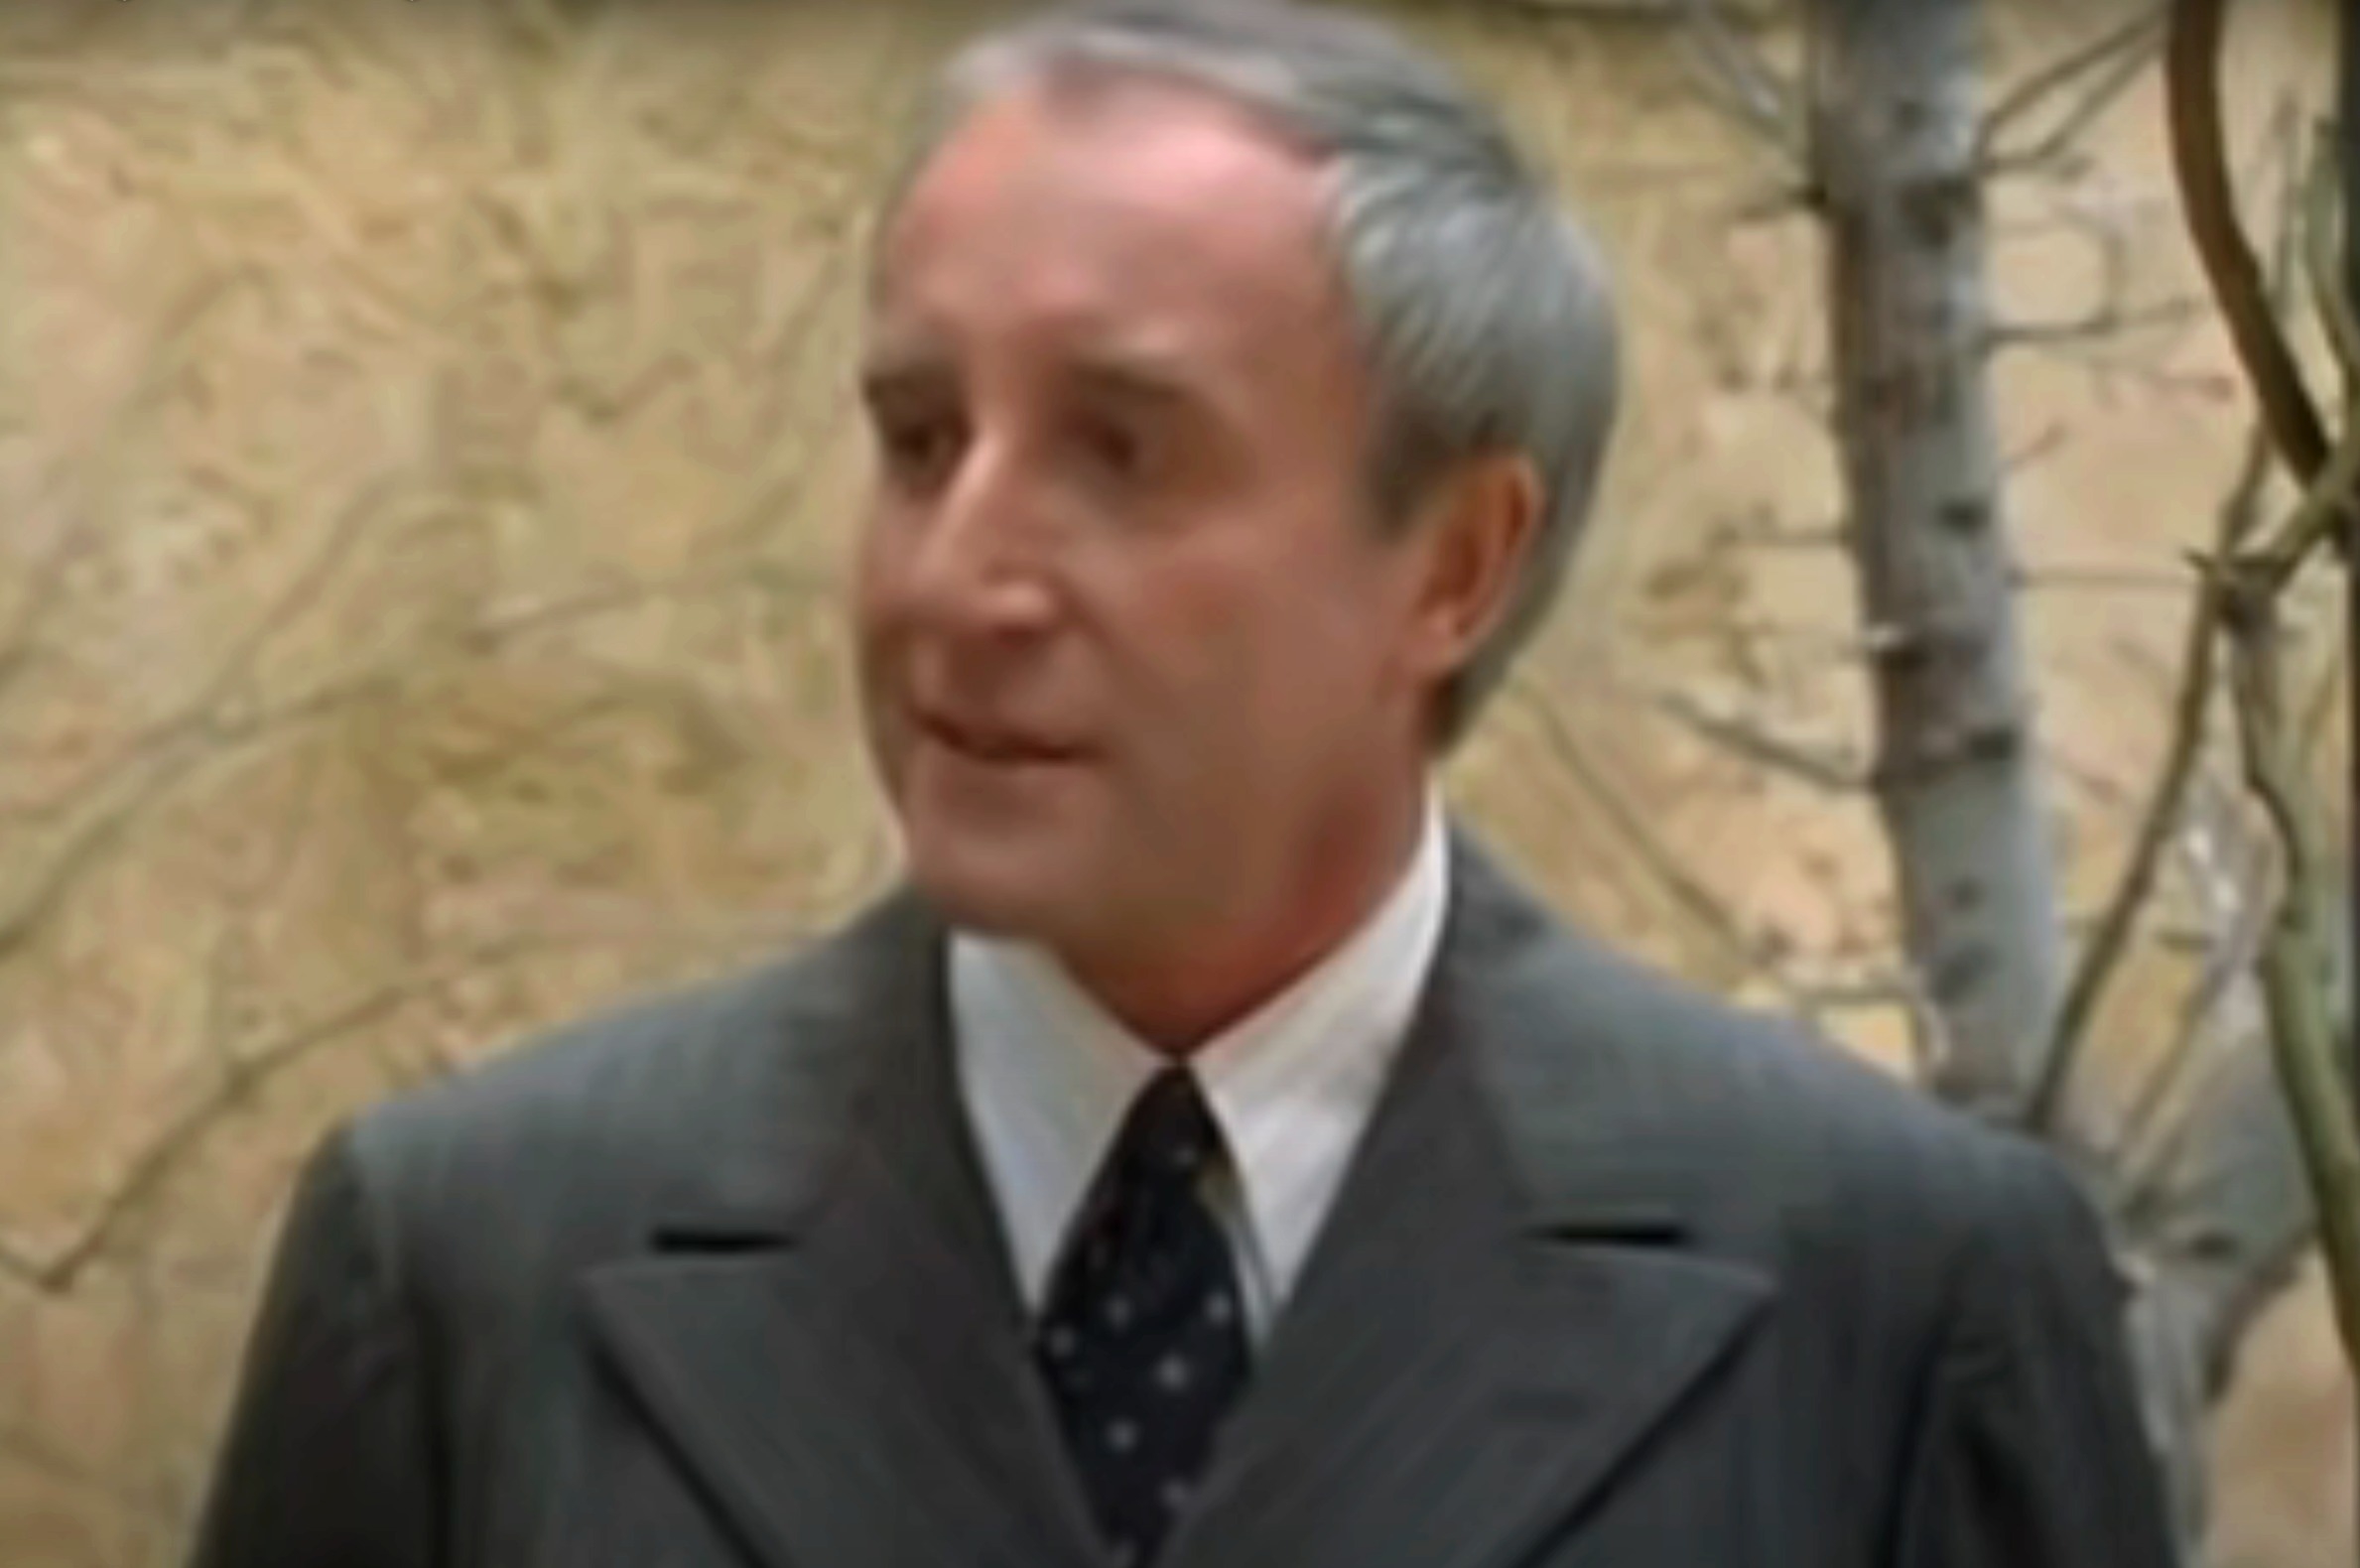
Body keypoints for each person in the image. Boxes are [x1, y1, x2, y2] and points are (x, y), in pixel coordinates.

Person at [186, 4, 2180, 1566]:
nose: (957, 576)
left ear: (1453, 561)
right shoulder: (471, 1263)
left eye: (1119, 453)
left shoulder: (1892, 1293)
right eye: (914, 434)